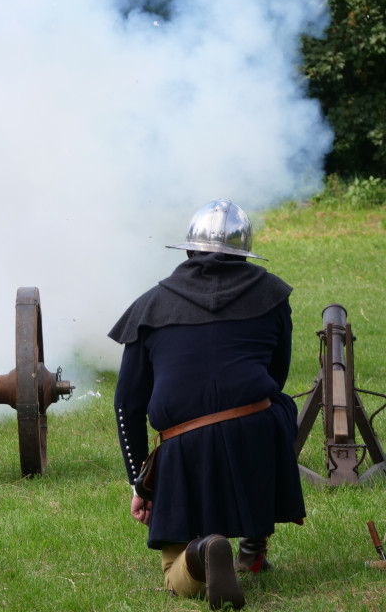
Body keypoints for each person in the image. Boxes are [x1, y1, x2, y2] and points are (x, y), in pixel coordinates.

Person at [108, 200, 305, 610]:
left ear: (189, 251)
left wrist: (140, 482)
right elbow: (277, 375)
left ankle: (201, 553)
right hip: (255, 430)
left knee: (174, 573)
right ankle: (252, 542)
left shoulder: (151, 304)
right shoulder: (272, 294)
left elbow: (127, 403)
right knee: (277, 406)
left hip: (183, 449)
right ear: (243, 254)